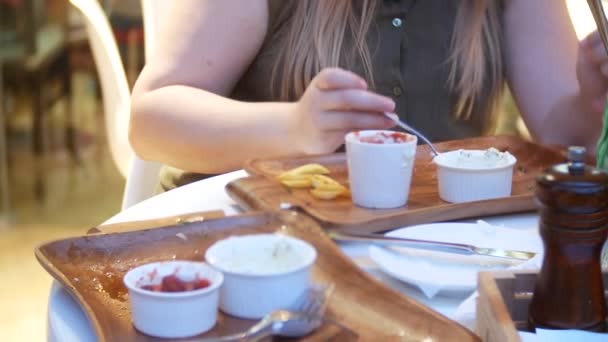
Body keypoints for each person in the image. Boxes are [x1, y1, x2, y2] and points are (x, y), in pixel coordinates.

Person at [129, 0, 608, 190]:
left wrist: (591, 98)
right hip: (249, 245)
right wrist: (294, 128)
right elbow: (152, 121)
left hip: (428, 250)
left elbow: (566, 139)